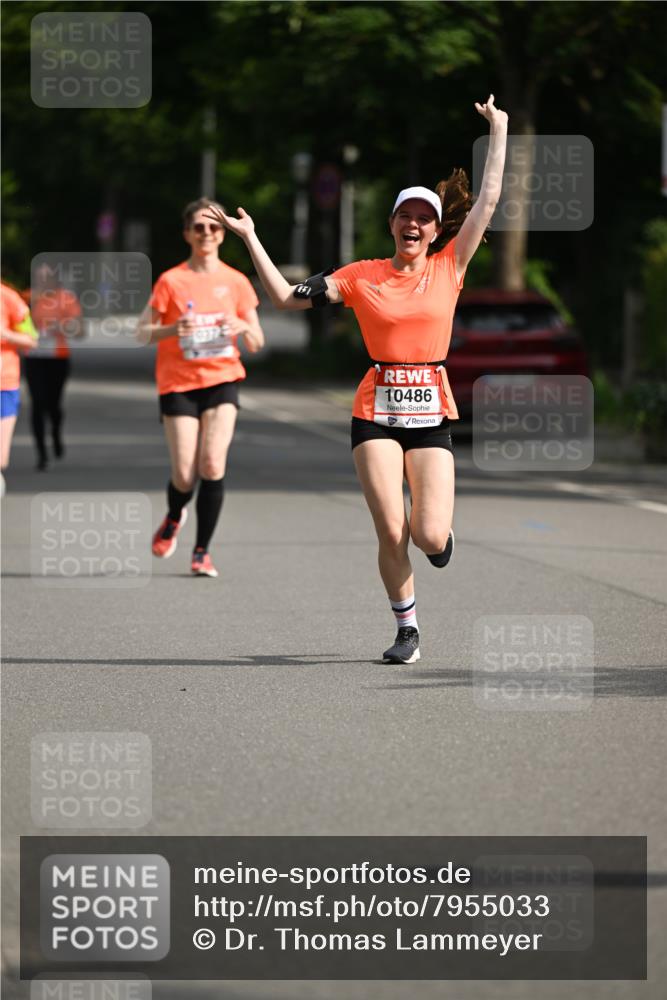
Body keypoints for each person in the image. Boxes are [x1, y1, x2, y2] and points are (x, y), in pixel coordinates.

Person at [205, 95, 508, 660]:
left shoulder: (451, 266)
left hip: (431, 412)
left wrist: (500, 129)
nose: (413, 224)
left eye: (423, 218)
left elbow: (489, 198)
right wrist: (250, 237)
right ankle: (407, 629)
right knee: (391, 528)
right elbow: (284, 297)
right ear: (391, 224)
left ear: (436, 231)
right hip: (376, 413)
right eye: (404, 216)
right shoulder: (362, 276)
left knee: (428, 534)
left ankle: (438, 535)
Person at [137, 197, 265, 577]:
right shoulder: (171, 280)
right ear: (187, 234)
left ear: (223, 234)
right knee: (184, 474)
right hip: (178, 383)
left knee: (211, 463)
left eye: (213, 227)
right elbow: (142, 332)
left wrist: (244, 327)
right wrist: (173, 329)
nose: (206, 233)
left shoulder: (236, 281)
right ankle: (175, 514)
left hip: (222, 379)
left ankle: (201, 552)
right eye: (199, 227)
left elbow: (257, 340)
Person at [23, 263, 83, 470]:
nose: (42, 280)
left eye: (46, 276)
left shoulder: (66, 298)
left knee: (53, 405)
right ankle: (42, 454)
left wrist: (61, 326)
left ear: (54, 279)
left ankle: (56, 432)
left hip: (57, 358)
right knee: (38, 403)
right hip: (34, 357)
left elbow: (79, 330)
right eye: (38, 277)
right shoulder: (27, 297)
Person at [1, 280, 38, 493]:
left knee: (1, 459)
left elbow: (31, 339)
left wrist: (5, 334)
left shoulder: (9, 298)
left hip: (4, 385)